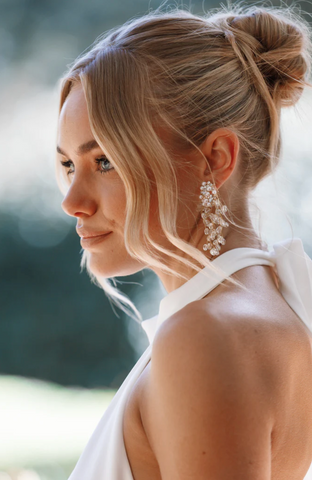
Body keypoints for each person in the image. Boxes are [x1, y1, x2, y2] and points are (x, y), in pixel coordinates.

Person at [56, 4, 312, 479]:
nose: (73, 201)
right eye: (69, 165)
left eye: (106, 161)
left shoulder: (206, 335)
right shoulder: (270, 305)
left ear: (214, 158)